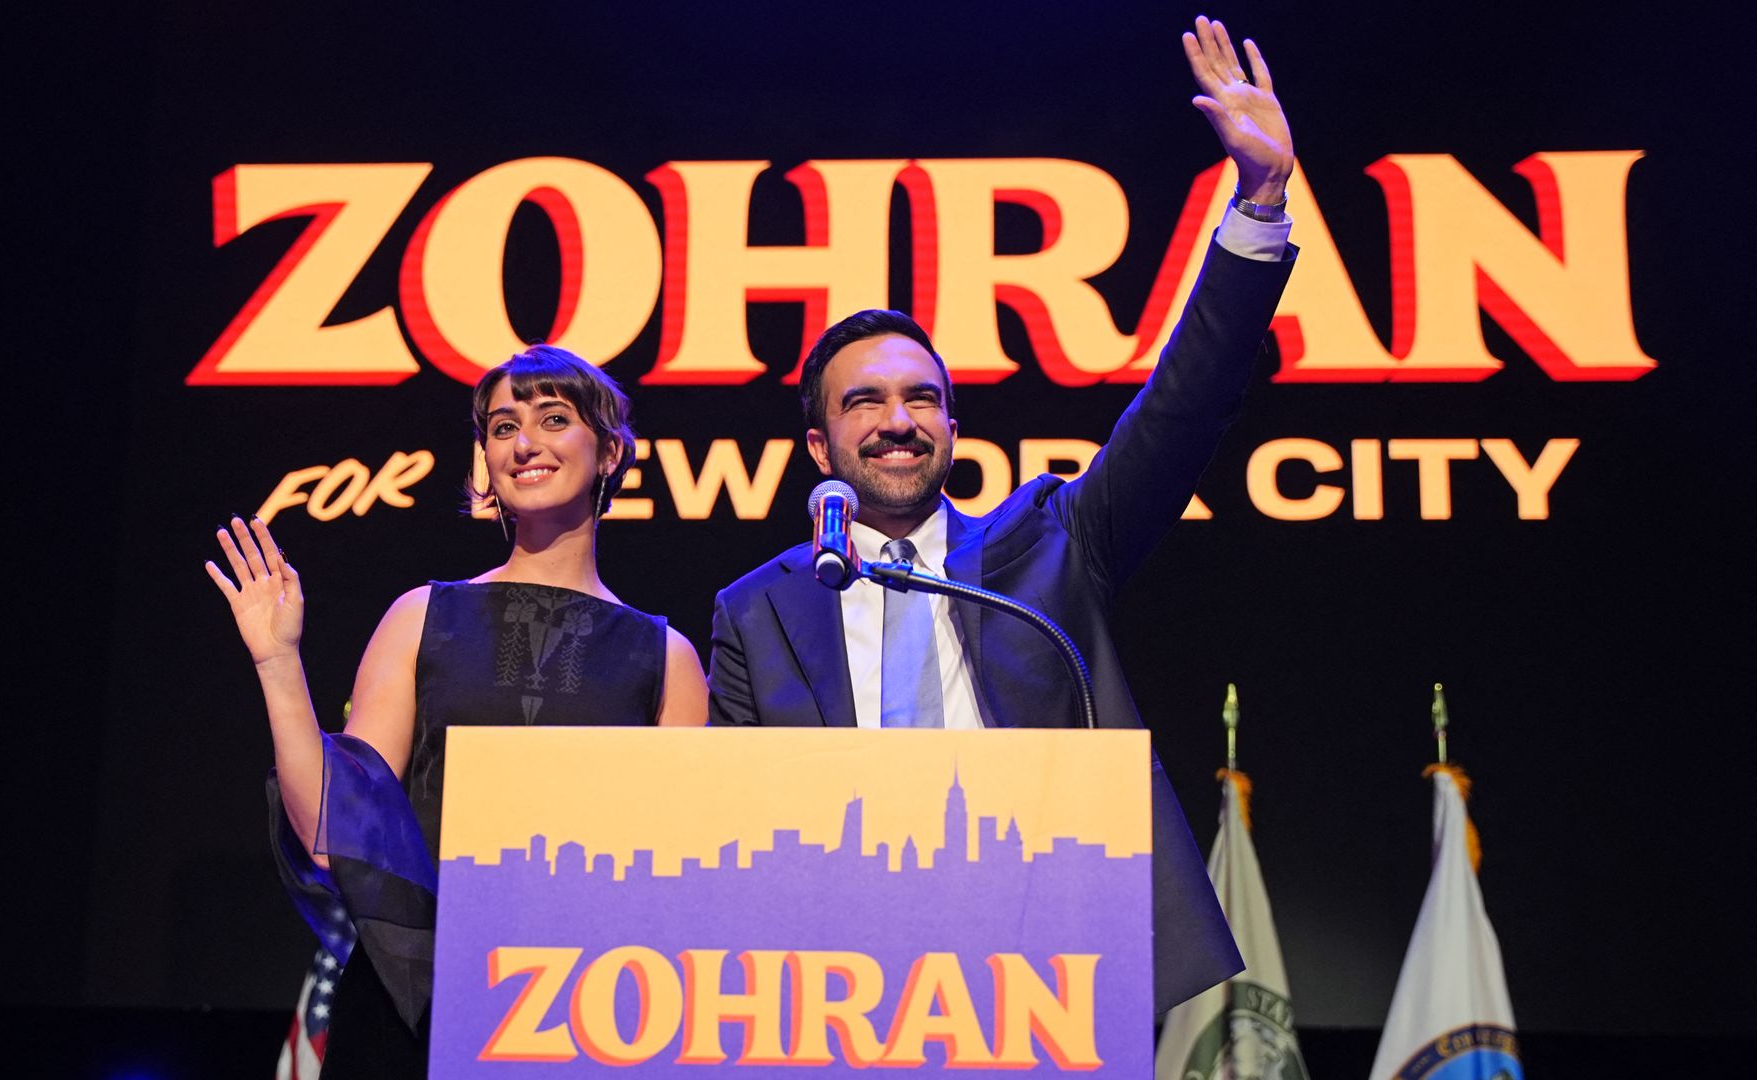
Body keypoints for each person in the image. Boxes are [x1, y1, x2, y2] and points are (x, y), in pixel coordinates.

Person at [705, 15, 1297, 1013]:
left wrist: (1261, 199)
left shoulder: (1052, 543)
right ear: (820, 449)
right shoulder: (757, 613)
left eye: (921, 398)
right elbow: (724, 822)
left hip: (1047, 956)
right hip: (834, 977)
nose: (899, 422)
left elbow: (1188, 402)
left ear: (952, 423)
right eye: (865, 403)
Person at [207, 345, 707, 1077]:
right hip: (414, 1002)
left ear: (608, 453)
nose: (525, 443)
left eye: (554, 419)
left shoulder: (667, 657)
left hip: (587, 1012)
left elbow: (681, 874)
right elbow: (332, 834)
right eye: (503, 428)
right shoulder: (422, 617)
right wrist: (277, 661)